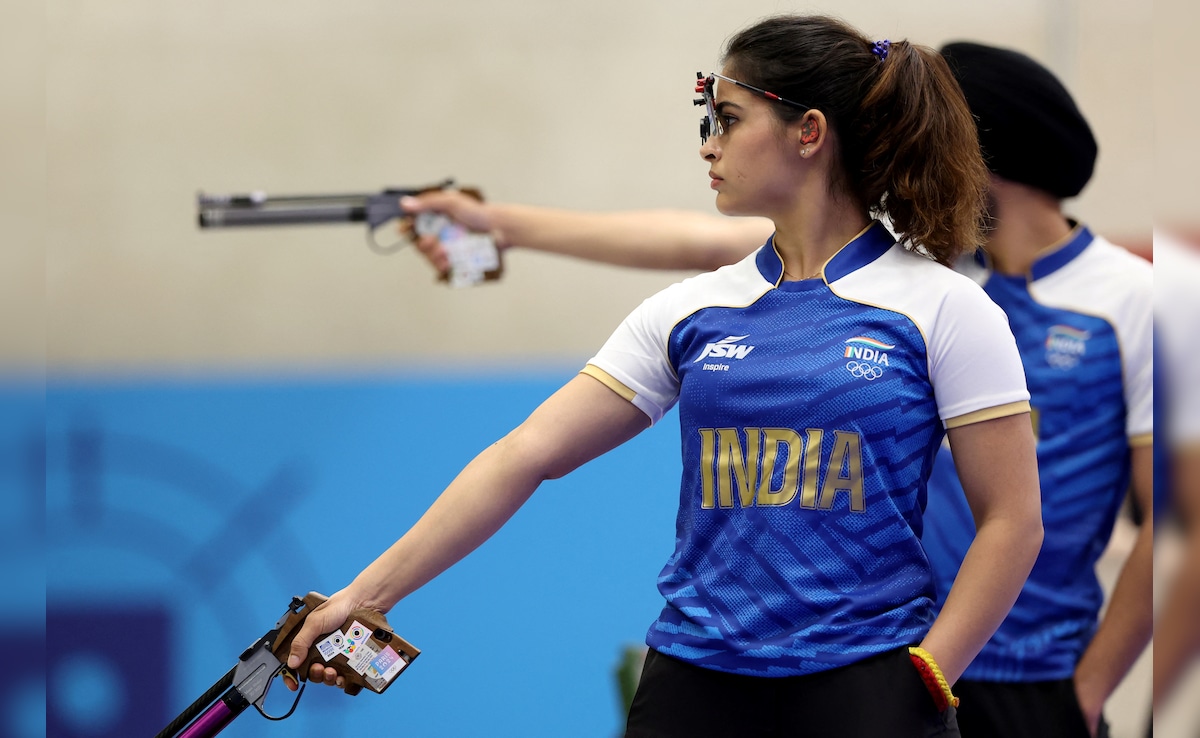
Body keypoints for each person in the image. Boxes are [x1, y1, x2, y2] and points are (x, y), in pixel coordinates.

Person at [289, 16, 1043, 737]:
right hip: (694, 683)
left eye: (726, 118)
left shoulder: (946, 308)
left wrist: (932, 675)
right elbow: (525, 455)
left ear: (807, 132)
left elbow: (1012, 520)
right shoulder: (691, 309)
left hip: (869, 685)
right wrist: (365, 596)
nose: (708, 145)